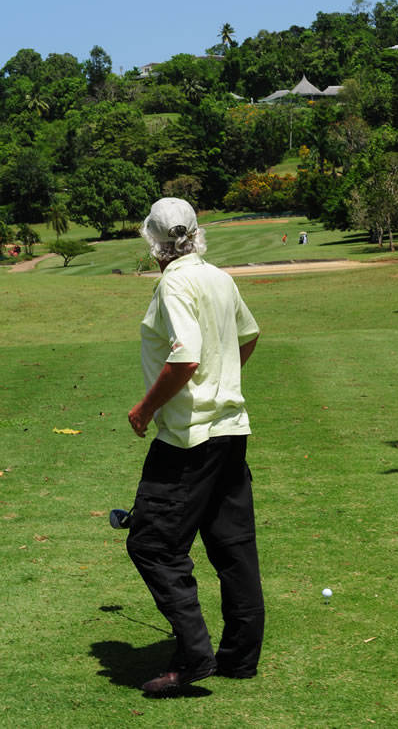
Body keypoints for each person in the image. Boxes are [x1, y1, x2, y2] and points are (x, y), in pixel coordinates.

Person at [126, 198, 264, 695]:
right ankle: (240, 659)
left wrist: (144, 409)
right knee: (232, 547)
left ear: (153, 242)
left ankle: (194, 658)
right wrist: (223, 380)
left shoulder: (174, 282)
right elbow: (247, 336)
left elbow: (183, 359)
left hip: (188, 439)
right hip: (230, 430)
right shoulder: (219, 277)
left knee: (152, 545)